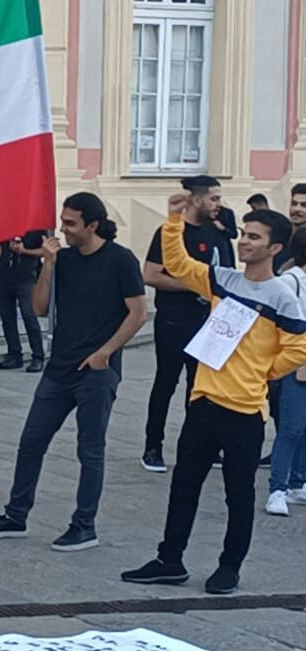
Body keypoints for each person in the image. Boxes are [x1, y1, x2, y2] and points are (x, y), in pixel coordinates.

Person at [121, 198, 306, 595]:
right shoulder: (224, 280)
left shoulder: (281, 296)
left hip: (244, 413)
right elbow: (180, 262)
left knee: (238, 496)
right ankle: (170, 559)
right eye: (244, 235)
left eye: (255, 238)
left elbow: (299, 347)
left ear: (275, 248)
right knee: (183, 486)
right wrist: (173, 219)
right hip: (204, 403)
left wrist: (262, 372)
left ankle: (229, 566)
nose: (245, 243)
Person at [0, 194, 146, 552]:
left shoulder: (120, 260)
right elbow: (38, 308)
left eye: (70, 223)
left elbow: (138, 313)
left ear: (92, 226)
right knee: (31, 441)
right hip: (59, 367)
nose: (63, 229)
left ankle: (84, 525)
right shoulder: (63, 259)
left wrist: (106, 353)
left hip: (96, 371)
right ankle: (16, 515)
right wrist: (48, 265)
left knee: (90, 449)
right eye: (63, 221)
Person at [141, 175, 234, 472]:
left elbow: (225, 276)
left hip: (209, 324)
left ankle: (202, 446)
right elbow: (151, 275)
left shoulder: (218, 233)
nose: (218, 204)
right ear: (196, 199)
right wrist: (194, 286)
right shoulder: (171, 231)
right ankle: (152, 447)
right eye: (214, 198)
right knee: (166, 383)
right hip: (173, 321)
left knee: (202, 388)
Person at [264, 228, 306, 515]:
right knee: (291, 427)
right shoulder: (291, 281)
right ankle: (277, 489)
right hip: (295, 360)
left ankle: (297, 482)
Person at [0, 231, 46, 371]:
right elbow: (0, 249)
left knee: (29, 315)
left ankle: (37, 356)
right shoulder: (8, 226)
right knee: (7, 318)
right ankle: (14, 354)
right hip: (5, 277)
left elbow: (44, 250)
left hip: (25, 277)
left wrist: (25, 251)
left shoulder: (35, 230)